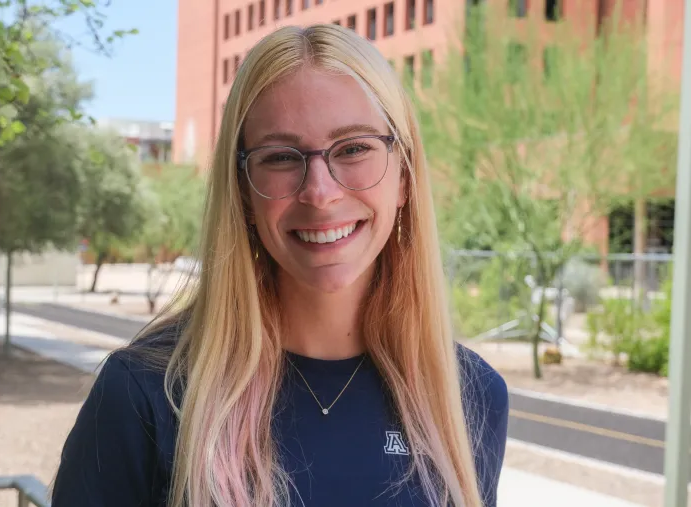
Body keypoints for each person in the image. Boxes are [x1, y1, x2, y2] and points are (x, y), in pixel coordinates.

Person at [51, 24, 508, 507]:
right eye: (281, 157)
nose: (320, 192)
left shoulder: (470, 397)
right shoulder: (145, 394)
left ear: (406, 176)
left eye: (353, 148)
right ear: (243, 193)